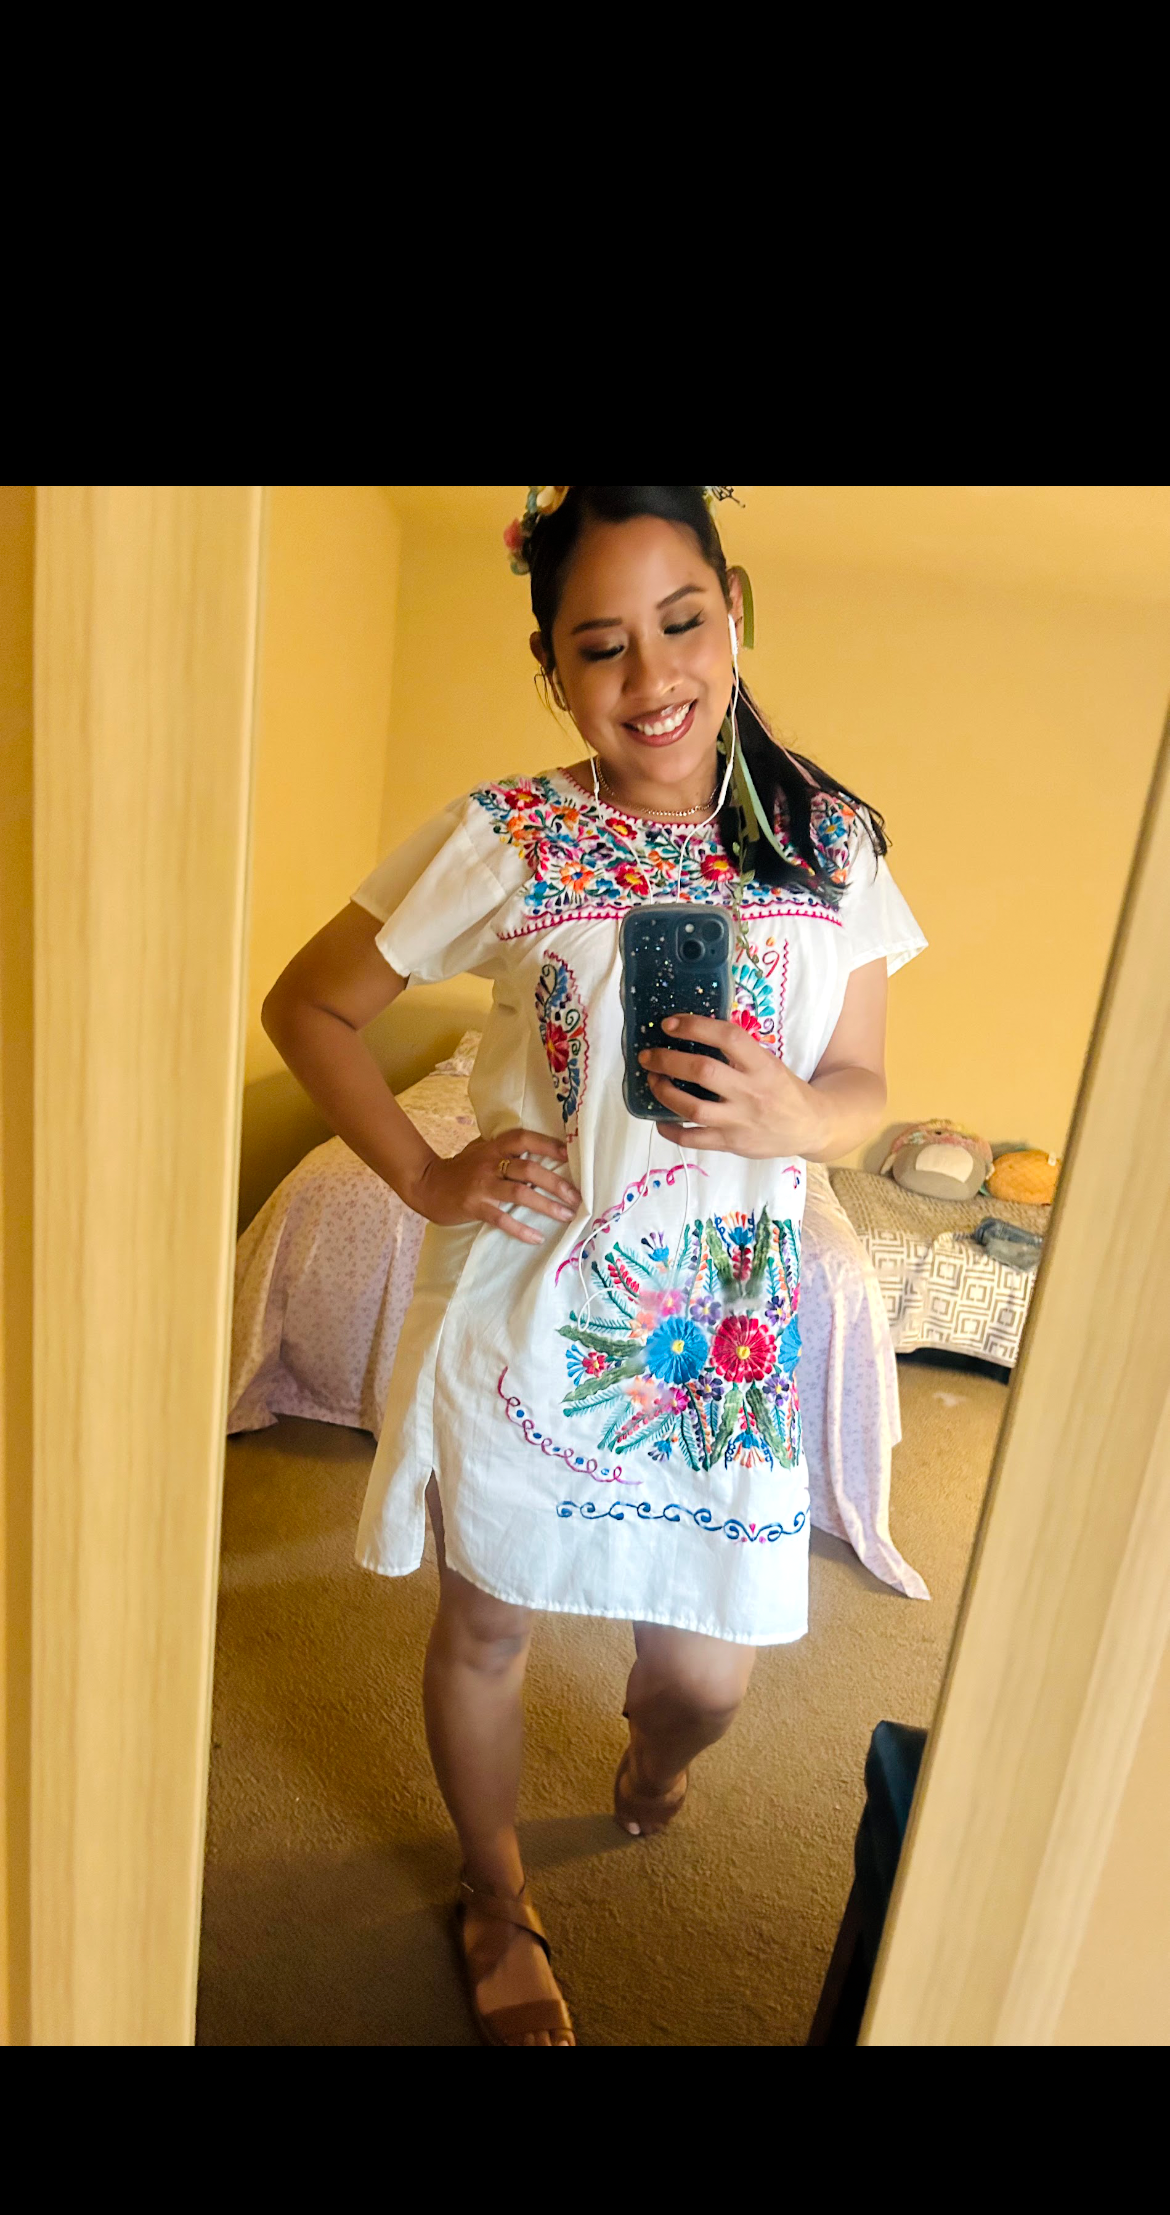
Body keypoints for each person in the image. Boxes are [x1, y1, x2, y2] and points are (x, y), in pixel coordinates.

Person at [262, 484, 927, 2047]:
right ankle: (496, 1901)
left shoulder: (829, 840)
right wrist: (425, 1172)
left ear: (733, 607)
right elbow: (309, 1007)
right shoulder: (507, 836)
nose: (650, 677)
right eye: (600, 644)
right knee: (485, 1630)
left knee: (706, 1678)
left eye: (680, 622)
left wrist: (798, 1115)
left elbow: (861, 1086)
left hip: (728, 1340)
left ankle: (655, 1759)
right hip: (531, 1303)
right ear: (553, 669)